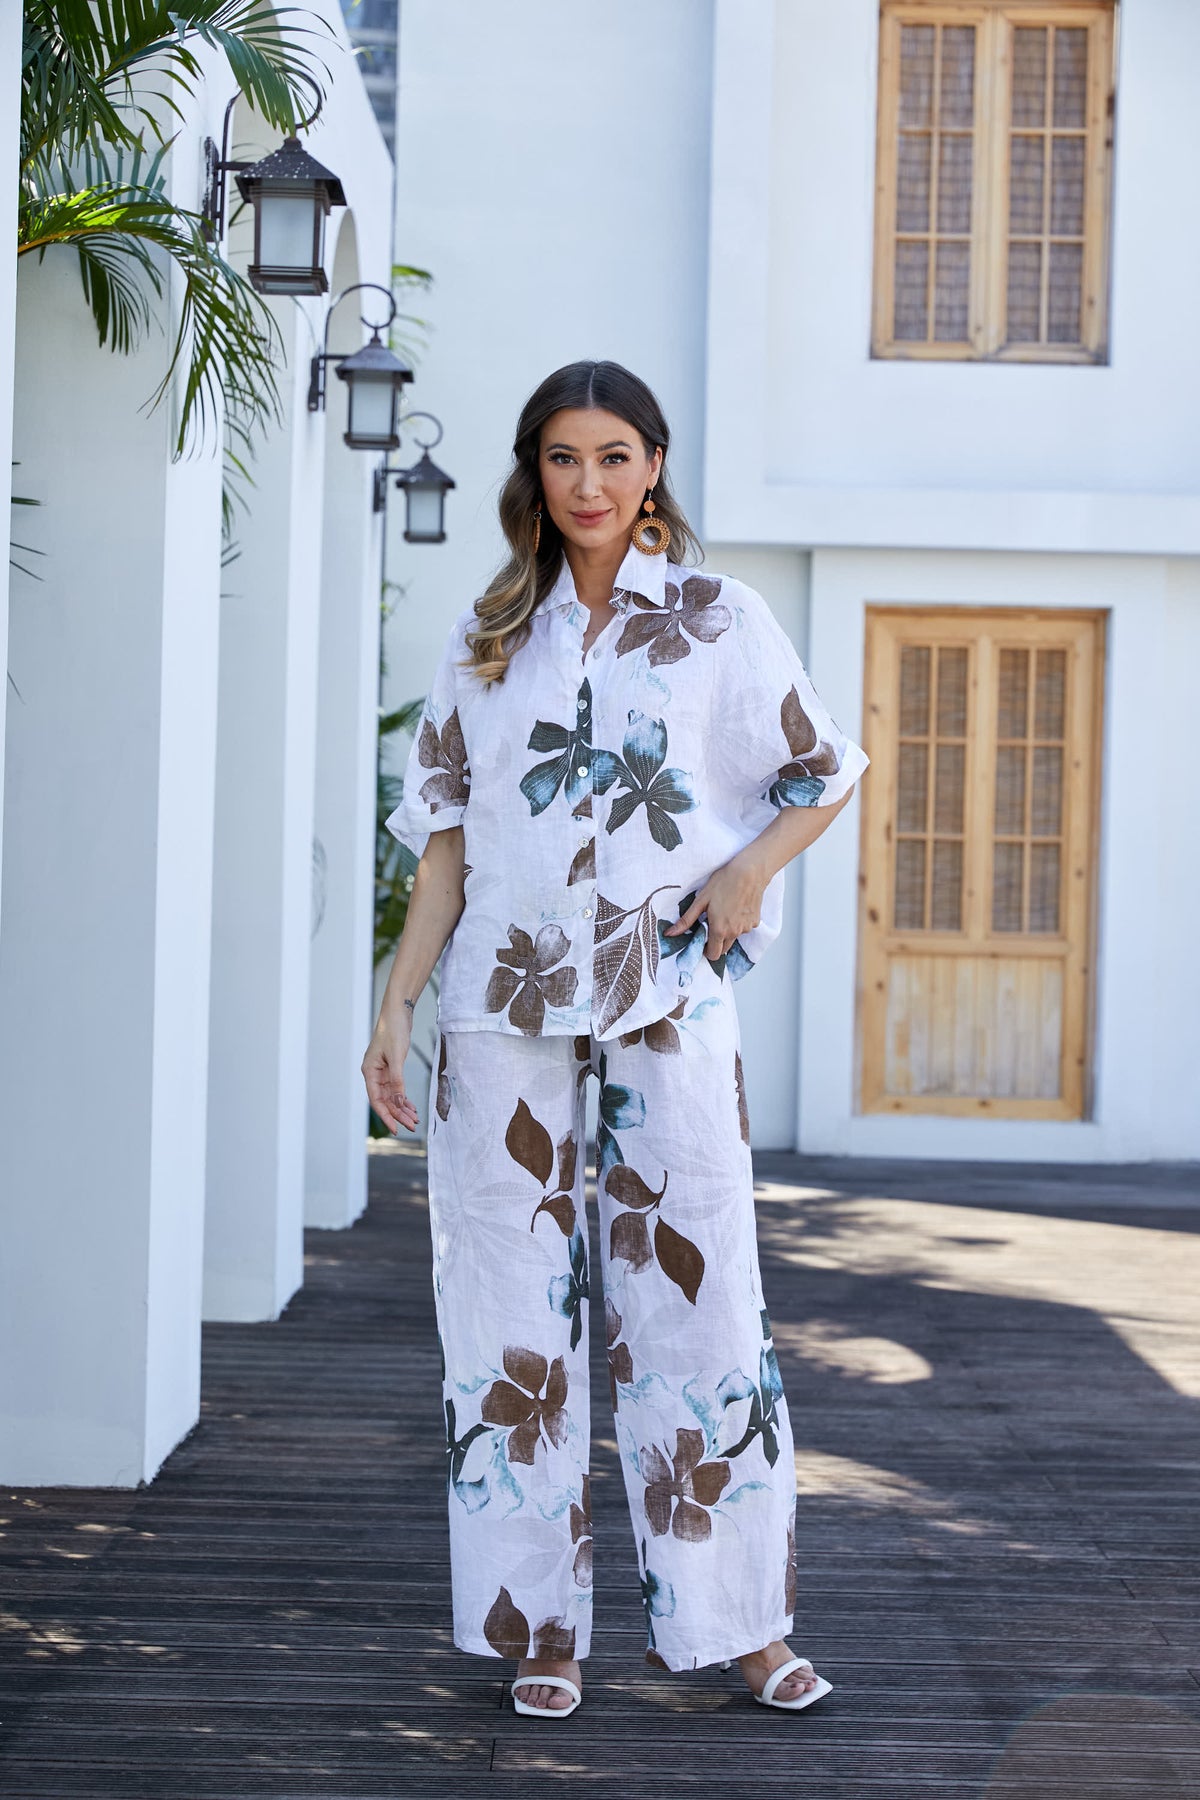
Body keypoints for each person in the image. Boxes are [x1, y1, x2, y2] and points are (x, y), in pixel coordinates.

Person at [362, 360, 868, 1720]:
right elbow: (447, 848)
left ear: (653, 468)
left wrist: (749, 871)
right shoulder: (487, 636)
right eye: (562, 457)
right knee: (507, 1323)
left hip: (669, 993)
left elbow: (825, 770)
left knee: (703, 1307)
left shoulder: (717, 618)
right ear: (532, 475)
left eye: (613, 456)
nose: (587, 483)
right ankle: (540, 1627)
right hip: (500, 1007)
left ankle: (742, 1625)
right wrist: (396, 1003)